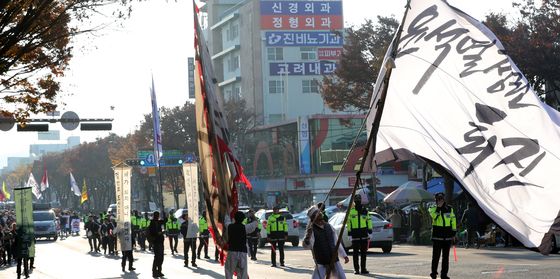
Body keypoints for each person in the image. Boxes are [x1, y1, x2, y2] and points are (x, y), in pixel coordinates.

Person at [304, 205, 349, 279]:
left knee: (342, 277)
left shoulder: (328, 226)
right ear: (313, 217)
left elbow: (336, 242)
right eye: (317, 213)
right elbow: (307, 246)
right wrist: (307, 237)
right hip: (321, 261)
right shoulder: (311, 230)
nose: (320, 214)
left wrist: (344, 255)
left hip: (333, 258)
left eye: (319, 212)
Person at [429, 192, 457, 279]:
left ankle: (444, 275)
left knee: (446, 258)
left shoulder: (449, 209)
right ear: (436, 200)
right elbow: (434, 217)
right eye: (438, 199)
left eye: (441, 199)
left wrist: (454, 233)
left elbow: (453, 221)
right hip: (437, 236)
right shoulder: (432, 209)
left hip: (447, 237)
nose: (440, 201)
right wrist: (438, 208)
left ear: (444, 199)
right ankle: (434, 273)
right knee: (436, 257)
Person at [224, 211, 258, 279]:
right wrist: (253, 215)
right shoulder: (245, 228)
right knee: (242, 273)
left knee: (229, 271)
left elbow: (226, 220)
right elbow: (255, 223)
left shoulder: (230, 226)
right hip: (242, 252)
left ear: (235, 218)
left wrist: (227, 212)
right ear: (243, 219)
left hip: (232, 251)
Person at [346, 194, 372, 275]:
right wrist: (349, 234)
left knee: (363, 253)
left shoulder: (365, 210)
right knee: (355, 253)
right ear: (354, 201)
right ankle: (356, 269)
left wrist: (370, 231)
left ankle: (363, 268)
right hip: (355, 234)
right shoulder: (351, 211)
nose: (357, 201)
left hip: (364, 233)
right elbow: (348, 223)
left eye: (358, 199)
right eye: (356, 200)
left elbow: (369, 221)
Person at [148, 211, 165, 278]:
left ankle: (159, 271)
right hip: (156, 242)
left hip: (160, 242)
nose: (158, 216)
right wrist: (159, 233)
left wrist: (164, 214)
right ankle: (154, 272)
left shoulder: (158, 222)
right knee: (157, 257)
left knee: (161, 258)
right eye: (157, 215)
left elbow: (165, 221)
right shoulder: (152, 223)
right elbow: (152, 233)